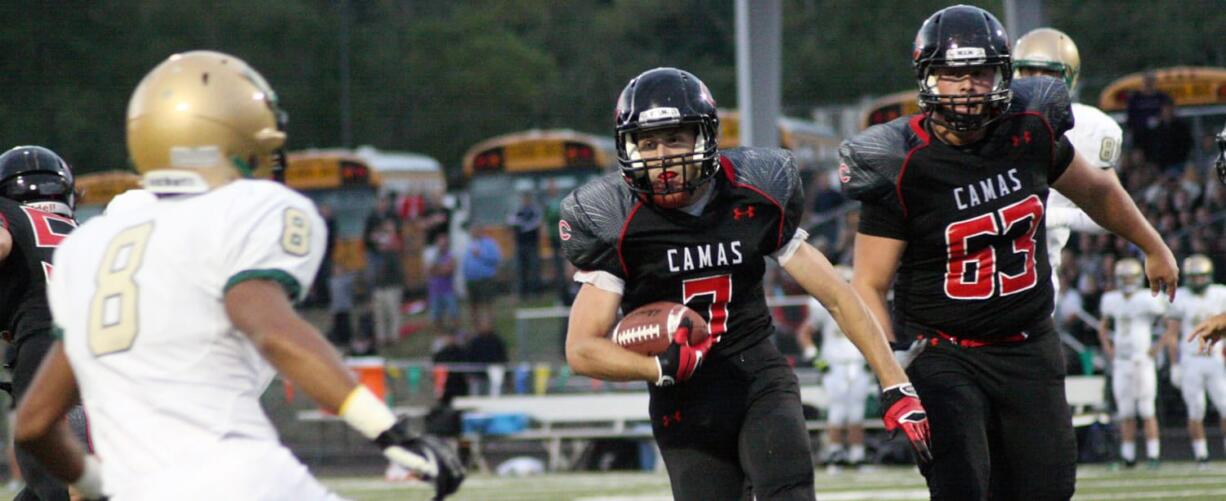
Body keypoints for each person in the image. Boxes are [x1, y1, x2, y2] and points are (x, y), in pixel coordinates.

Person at [11, 51, 463, 501]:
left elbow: (33, 424)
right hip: (236, 475)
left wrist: (95, 487)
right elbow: (270, 330)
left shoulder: (86, 249)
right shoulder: (253, 207)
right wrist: (391, 433)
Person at [840, 6, 1177, 500]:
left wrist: (1152, 244)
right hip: (944, 352)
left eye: (981, 72)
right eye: (953, 74)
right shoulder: (899, 161)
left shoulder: (1029, 126)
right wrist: (893, 373)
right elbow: (868, 283)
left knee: (1048, 488)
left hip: (1028, 346)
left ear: (1004, 73)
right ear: (927, 77)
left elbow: (1099, 191)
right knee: (965, 486)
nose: (968, 86)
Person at [561, 67, 930, 501]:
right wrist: (656, 367)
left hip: (757, 379)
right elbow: (581, 348)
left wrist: (893, 381)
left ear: (705, 138)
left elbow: (836, 295)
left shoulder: (754, 193)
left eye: (675, 138)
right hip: (683, 401)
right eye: (648, 143)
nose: (661, 156)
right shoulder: (615, 221)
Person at [1012, 27, 1124, 295]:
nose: (1037, 82)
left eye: (1049, 72)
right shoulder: (991, 121)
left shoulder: (1091, 127)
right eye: (1029, 71)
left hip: (1037, 278)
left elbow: (1109, 212)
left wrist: (1051, 216)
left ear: (1068, 77)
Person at [0, 145, 81, 501]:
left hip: (47, 348)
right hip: (118, 348)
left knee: (50, 485)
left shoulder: (9, 216)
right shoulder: (85, 230)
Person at [799, 265, 873, 470]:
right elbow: (805, 332)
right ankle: (835, 454)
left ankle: (858, 456)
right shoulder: (821, 303)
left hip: (857, 362)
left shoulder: (862, 301)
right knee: (837, 411)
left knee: (857, 412)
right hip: (835, 364)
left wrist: (870, 359)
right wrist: (816, 359)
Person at [1097, 258, 1167, 468]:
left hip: (1141, 360)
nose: (1127, 281)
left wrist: (1157, 347)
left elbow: (1169, 323)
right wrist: (1108, 348)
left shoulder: (1148, 298)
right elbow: (1103, 326)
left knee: (1147, 410)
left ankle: (1153, 456)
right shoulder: (1111, 299)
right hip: (1122, 362)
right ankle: (1128, 457)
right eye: (1124, 277)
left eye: (1131, 277)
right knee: (1125, 412)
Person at [1160, 255, 1226, 467]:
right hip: (1191, 360)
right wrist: (1175, 365)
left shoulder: (1220, 293)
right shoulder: (1181, 297)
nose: (1198, 281)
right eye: (1194, 277)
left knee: (1225, 406)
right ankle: (1201, 455)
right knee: (1196, 408)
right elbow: (1172, 335)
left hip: (1216, 358)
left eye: (1202, 276)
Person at [462, 223, 501, 334]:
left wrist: (481, 255)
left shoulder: (489, 244)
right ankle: (477, 329)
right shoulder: (469, 244)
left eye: (475, 230)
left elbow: (496, 259)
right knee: (473, 305)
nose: (473, 233)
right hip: (471, 279)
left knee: (487, 304)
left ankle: (489, 328)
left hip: (485, 279)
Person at [508, 192, 543, 296]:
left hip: (532, 244)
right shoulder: (518, 211)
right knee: (521, 269)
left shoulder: (534, 211)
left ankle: (536, 291)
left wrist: (523, 225)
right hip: (520, 244)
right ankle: (523, 292)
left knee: (534, 269)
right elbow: (511, 221)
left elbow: (536, 223)